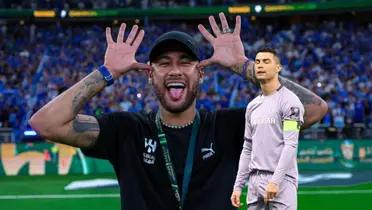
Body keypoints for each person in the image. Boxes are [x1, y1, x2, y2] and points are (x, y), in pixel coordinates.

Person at [29, 13, 327, 210]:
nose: (175, 70)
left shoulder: (231, 126)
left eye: (185, 62)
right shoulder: (127, 130)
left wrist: (242, 64)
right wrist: (107, 72)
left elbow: (313, 109)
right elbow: (46, 124)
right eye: (163, 62)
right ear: (150, 74)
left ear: (201, 74)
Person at [231, 48, 304, 210]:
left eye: (266, 61)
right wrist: (238, 186)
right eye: (257, 62)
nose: (260, 65)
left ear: (278, 68)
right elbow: (247, 148)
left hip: (281, 180)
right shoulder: (252, 106)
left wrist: (275, 181)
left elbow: (291, 145)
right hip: (254, 181)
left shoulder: (290, 102)